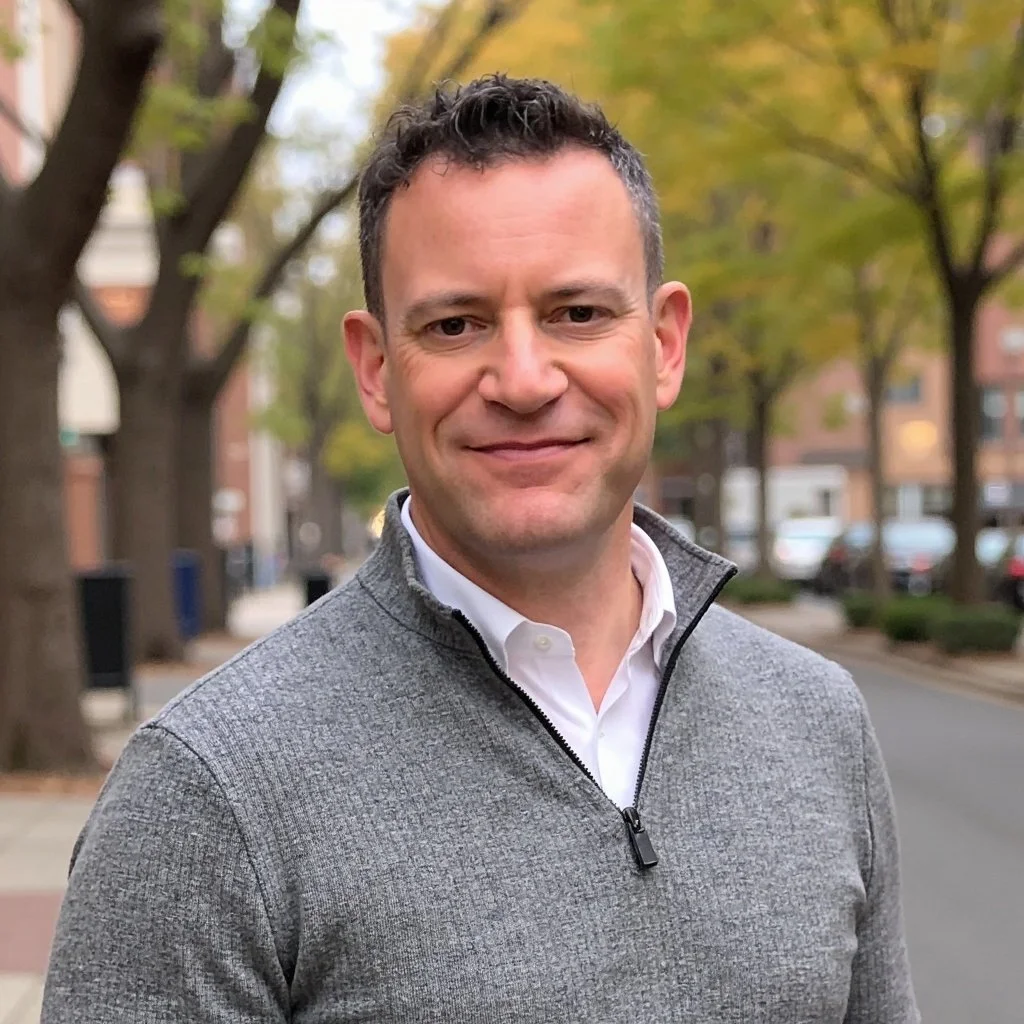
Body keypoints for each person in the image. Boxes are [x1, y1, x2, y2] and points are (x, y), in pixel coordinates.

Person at [42, 75, 919, 1023]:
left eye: (577, 313)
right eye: (455, 325)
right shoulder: (206, 795)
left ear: (664, 346)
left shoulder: (817, 723)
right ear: (377, 372)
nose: (524, 379)